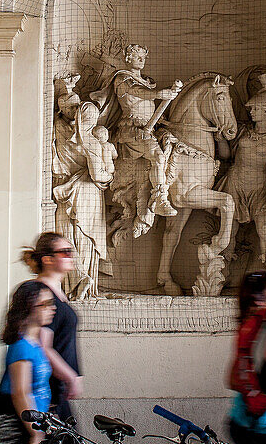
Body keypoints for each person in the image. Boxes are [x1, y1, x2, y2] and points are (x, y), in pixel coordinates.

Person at [90, 43, 181, 216]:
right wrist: (158, 94)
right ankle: (160, 199)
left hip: (150, 128)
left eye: (144, 56)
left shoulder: (148, 82)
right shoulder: (122, 78)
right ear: (127, 58)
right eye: (137, 55)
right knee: (158, 156)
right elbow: (135, 91)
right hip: (131, 129)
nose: (142, 59)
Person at [0, 281, 57, 444]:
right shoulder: (21, 347)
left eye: (52, 303)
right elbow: (20, 393)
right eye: (45, 304)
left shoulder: (35, 343)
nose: (52, 308)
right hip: (21, 429)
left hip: (35, 423)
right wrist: (35, 433)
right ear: (29, 308)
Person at [217, 84, 266, 270]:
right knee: (229, 231)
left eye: (255, 108)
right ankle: (219, 277)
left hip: (259, 188)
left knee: (264, 229)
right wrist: (221, 138)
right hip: (235, 183)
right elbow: (226, 157)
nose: (251, 112)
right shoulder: (243, 131)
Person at [22, 233, 84, 423]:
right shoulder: (40, 293)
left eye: (70, 251)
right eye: (65, 252)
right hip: (44, 392)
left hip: (56, 389)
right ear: (47, 259)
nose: (70, 256)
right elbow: (41, 345)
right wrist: (70, 377)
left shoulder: (55, 291)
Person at [52, 103, 111, 299]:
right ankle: (82, 283)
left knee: (68, 237)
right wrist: (110, 174)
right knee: (84, 238)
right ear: (94, 120)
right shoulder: (91, 142)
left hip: (67, 191)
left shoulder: (63, 136)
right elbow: (98, 176)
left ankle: (76, 284)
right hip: (87, 193)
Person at [227, 271, 266, 444]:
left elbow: (231, 379)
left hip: (241, 418)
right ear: (260, 295)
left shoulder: (245, 326)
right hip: (264, 424)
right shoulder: (264, 325)